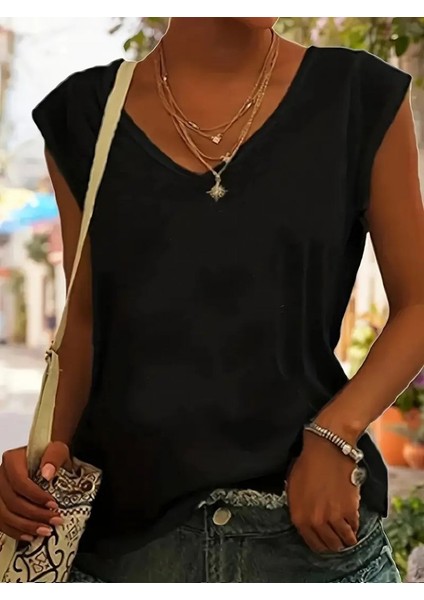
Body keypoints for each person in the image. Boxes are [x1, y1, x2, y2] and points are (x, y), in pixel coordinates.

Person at [0, 17, 423, 583]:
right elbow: (83, 326)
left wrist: (336, 431)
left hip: (310, 542)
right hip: (125, 552)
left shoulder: (359, 96)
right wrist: (41, 466)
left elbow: (418, 304)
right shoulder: (84, 115)